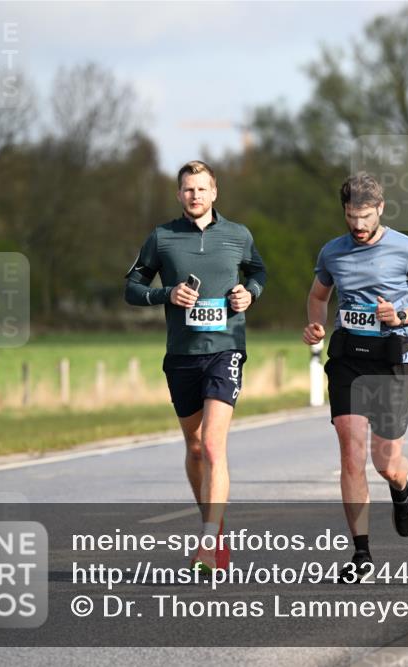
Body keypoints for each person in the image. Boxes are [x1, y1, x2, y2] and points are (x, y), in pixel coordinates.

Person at [303, 172, 408, 580]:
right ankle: (362, 555)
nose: (359, 225)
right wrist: (315, 325)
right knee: (351, 454)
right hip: (348, 359)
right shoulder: (333, 252)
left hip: (392, 361)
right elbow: (318, 295)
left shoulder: (407, 250)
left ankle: (401, 487)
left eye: (366, 217)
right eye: (352, 217)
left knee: (385, 462)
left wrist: (402, 315)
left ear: (381, 209)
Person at [124, 160, 267, 572]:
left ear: (214, 192)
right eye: (188, 189)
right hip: (182, 356)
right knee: (195, 447)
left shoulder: (238, 235)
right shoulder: (162, 237)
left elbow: (258, 271)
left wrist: (250, 293)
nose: (195, 195)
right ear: (179, 194)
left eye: (202, 189)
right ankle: (215, 533)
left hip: (226, 349)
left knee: (213, 445)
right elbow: (132, 287)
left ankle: (205, 544)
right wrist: (166, 295)